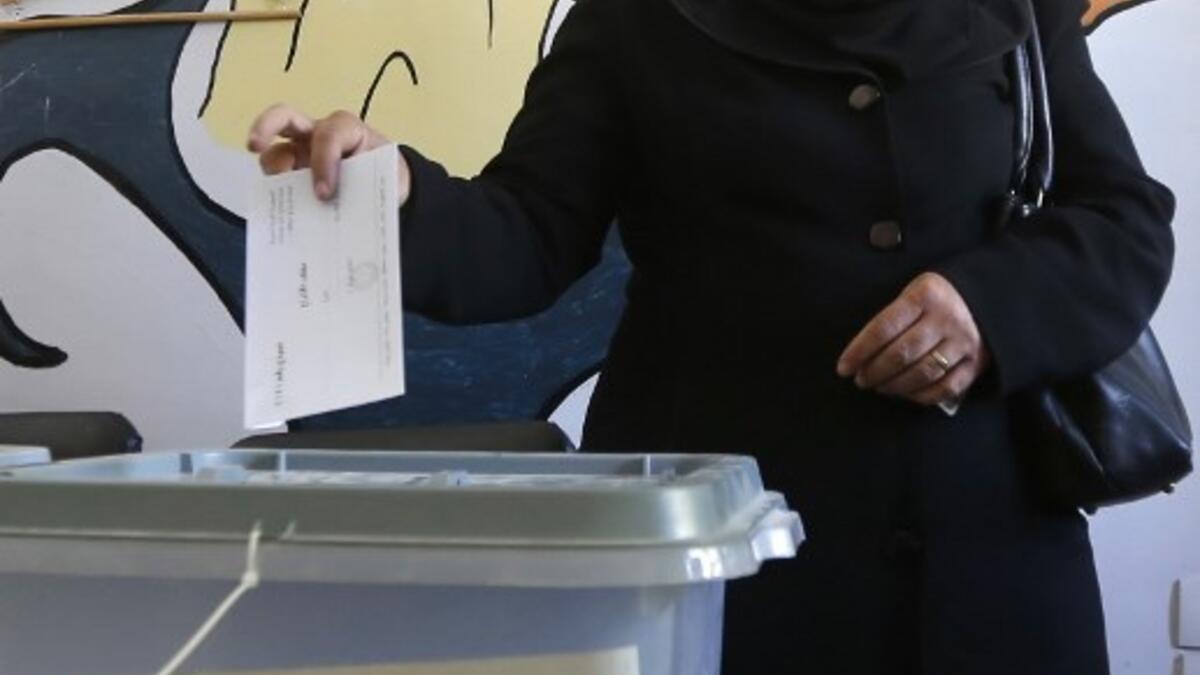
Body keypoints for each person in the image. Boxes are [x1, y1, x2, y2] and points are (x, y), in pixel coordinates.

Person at [246, 0, 1175, 672]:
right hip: (722, 561)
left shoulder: (1019, 9)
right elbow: (529, 232)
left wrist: (991, 307)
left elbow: (1125, 218)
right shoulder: (634, 19)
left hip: (991, 567)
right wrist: (395, 194)